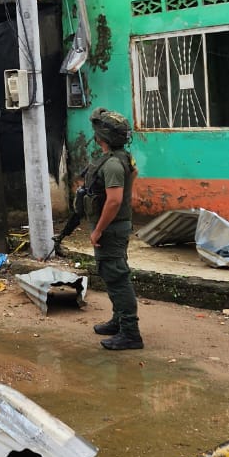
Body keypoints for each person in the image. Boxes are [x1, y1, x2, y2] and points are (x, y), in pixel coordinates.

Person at [84, 107, 143, 351]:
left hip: (111, 229)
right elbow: (134, 177)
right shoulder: (123, 158)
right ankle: (119, 321)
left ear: (102, 137)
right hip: (116, 226)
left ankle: (130, 333)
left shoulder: (112, 165)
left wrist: (98, 230)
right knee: (112, 274)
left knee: (117, 278)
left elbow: (115, 200)